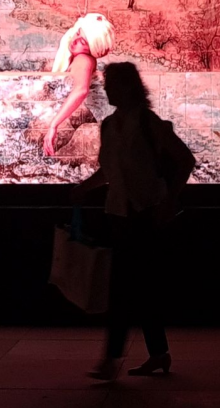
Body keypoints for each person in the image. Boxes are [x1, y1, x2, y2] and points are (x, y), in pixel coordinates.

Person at [71, 62, 196, 381]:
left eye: (112, 83)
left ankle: (111, 359)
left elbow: (185, 159)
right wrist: (84, 188)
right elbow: (109, 171)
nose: (106, 89)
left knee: (123, 289)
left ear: (128, 87)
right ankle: (159, 354)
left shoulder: (148, 123)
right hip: (118, 216)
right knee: (142, 287)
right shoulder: (109, 126)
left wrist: (169, 200)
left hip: (144, 216)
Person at [43, 13, 115, 157]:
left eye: (82, 41)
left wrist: (53, 125)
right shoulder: (78, 55)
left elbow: (81, 90)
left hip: (104, 129)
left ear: (92, 48)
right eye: (77, 33)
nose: (75, 40)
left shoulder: (84, 59)